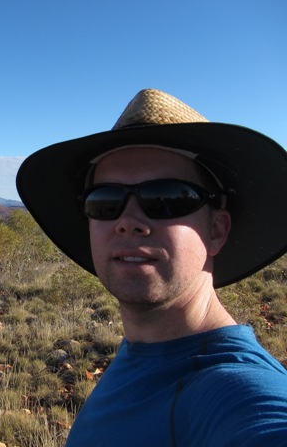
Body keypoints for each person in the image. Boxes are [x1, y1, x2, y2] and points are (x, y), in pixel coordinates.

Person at [16, 89, 287, 446]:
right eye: (105, 201)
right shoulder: (142, 352)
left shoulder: (236, 393)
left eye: (167, 198)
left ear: (217, 230)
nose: (128, 221)